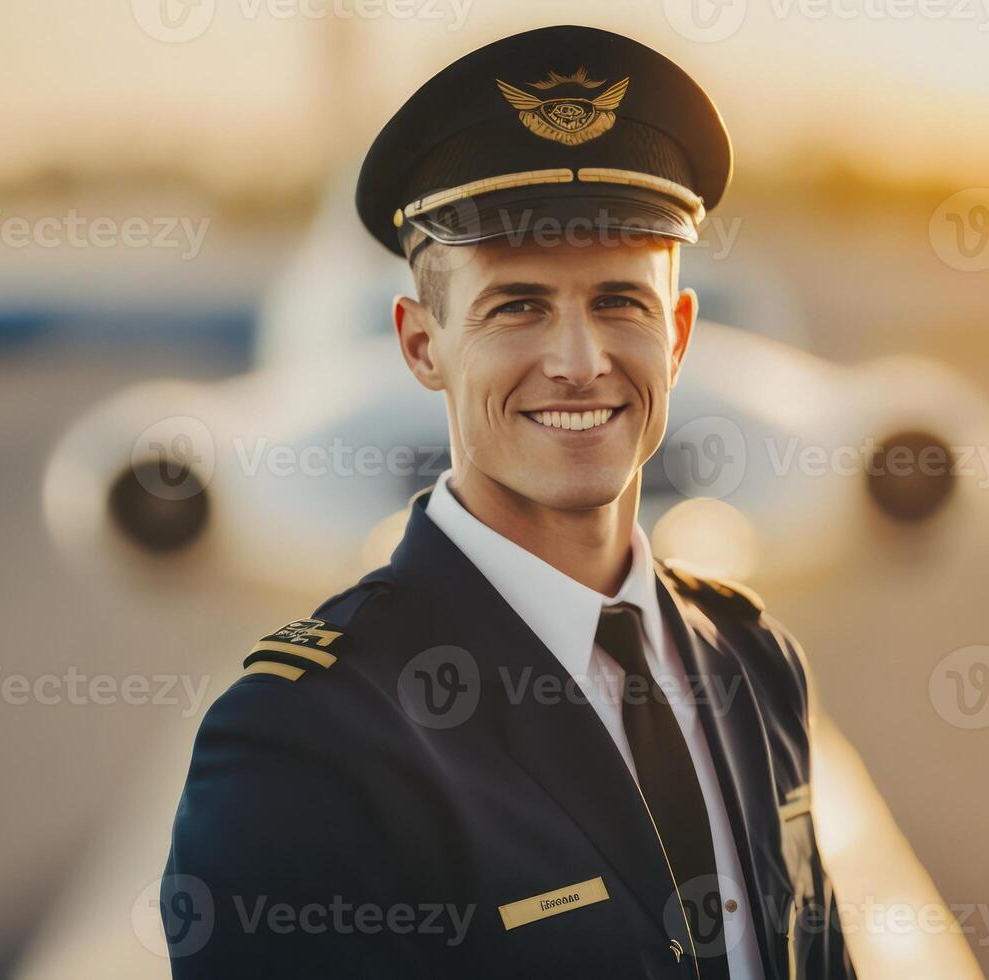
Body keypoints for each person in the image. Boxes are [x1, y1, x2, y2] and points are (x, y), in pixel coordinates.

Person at [163, 25, 856, 979]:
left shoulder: (754, 664)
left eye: (622, 301)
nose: (579, 362)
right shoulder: (302, 746)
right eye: (516, 306)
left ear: (680, 332)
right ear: (420, 344)